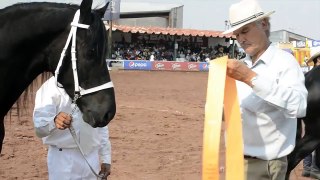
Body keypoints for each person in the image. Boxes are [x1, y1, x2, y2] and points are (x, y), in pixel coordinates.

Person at [222, 0, 308, 179]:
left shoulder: (285, 62)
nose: (241, 39)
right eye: (237, 35)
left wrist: (249, 78)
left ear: (264, 24)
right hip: (236, 162)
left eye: (245, 31)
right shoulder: (241, 65)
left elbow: (299, 106)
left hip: (267, 166)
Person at [33, 77, 111, 180]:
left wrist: (106, 158)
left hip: (92, 158)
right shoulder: (50, 87)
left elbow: (101, 125)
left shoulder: (94, 86)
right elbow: (39, 129)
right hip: (63, 160)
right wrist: (54, 121)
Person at [302, 47, 320, 178]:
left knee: (309, 135)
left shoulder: (306, 76)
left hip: (307, 111)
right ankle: (315, 168)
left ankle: (307, 168)